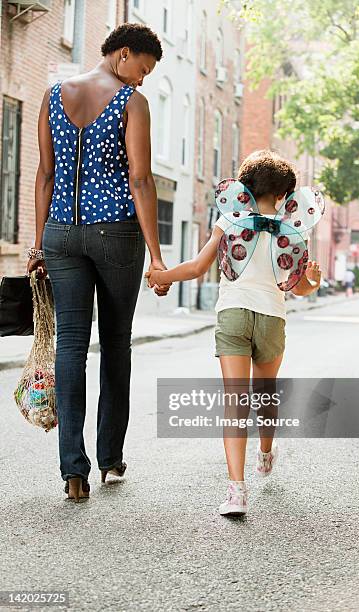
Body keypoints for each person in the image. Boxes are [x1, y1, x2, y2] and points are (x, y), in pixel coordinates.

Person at [26, 23, 171, 502]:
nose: (142, 80)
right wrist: (155, 253)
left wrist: (38, 242)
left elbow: (44, 174)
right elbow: (141, 179)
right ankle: (109, 458)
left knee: (70, 346)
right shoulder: (132, 104)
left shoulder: (52, 94)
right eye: (143, 69)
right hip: (116, 234)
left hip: (61, 234)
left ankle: (73, 470)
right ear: (123, 53)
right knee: (115, 343)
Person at [146, 150, 322, 516]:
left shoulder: (230, 219)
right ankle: (266, 452)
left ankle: (236, 492)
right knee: (266, 393)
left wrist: (161, 276)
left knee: (235, 403)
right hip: (272, 316)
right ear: (282, 195)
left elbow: (197, 267)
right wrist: (315, 282)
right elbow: (299, 287)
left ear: (245, 188)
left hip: (233, 314)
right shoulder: (292, 229)